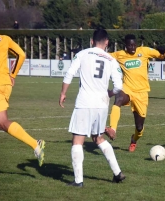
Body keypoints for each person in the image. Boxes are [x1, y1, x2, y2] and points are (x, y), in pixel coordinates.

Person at [59, 29, 125, 187]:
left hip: (85, 103)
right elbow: (118, 86)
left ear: (91, 41)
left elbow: (69, 73)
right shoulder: (111, 59)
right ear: (107, 42)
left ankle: (78, 181)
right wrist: (108, 93)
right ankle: (117, 173)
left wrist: (63, 93)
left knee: (77, 141)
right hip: (102, 104)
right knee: (98, 138)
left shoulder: (83, 54)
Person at [105, 34, 165, 152]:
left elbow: (161, 56)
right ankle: (112, 129)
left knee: (139, 127)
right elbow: (104, 55)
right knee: (118, 98)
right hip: (127, 89)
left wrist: (163, 52)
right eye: (130, 45)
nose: (132, 48)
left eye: (134, 45)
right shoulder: (120, 54)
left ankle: (134, 140)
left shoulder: (144, 51)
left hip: (142, 93)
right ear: (125, 46)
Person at [0, 34, 45, 166]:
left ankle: (35, 144)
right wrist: (12, 74)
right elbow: (21, 54)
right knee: (0, 123)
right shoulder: (4, 39)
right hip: (4, 84)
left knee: (2, 121)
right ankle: (36, 144)